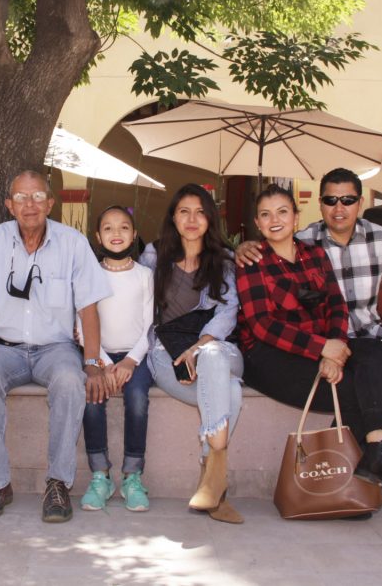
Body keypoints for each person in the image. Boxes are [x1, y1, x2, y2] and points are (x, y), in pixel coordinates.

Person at [237, 168, 382, 491]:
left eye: (347, 200)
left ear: (359, 202)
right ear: (320, 205)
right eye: (331, 200)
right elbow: (263, 321)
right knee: (358, 384)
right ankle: (358, 468)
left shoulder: (377, 239)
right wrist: (242, 247)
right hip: (315, 345)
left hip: (363, 338)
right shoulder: (304, 241)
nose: (339, 207)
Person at [0, 170, 110, 523]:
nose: (29, 205)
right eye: (20, 198)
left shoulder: (73, 243)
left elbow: (88, 307)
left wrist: (91, 361)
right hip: (3, 348)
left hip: (56, 348)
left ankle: (58, 483)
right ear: (8, 205)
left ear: (50, 202)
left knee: (69, 380)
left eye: (36, 197)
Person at [140, 183, 244, 524]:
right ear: (173, 216)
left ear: (210, 218)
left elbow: (228, 312)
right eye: (184, 211)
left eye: (200, 211)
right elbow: (139, 305)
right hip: (165, 354)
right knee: (230, 393)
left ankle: (212, 466)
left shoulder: (224, 261)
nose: (192, 219)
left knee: (213, 356)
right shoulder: (155, 257)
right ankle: (214, 481)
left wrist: (198, 346)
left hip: (218, 349)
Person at [80, 205, 154, 512]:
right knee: (92, 395)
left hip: (136, 355)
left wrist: (130, 361)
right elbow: (82, 326)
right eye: (108, 228)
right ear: (98, 236)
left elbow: (151, 325)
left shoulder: (145, 275)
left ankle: (132, 475)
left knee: (137, 397)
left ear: (134, 235)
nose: (116, 233)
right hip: (98, 354)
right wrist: (105, 362)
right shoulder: (89, 275)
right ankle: (100, 474)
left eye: (124, 227)